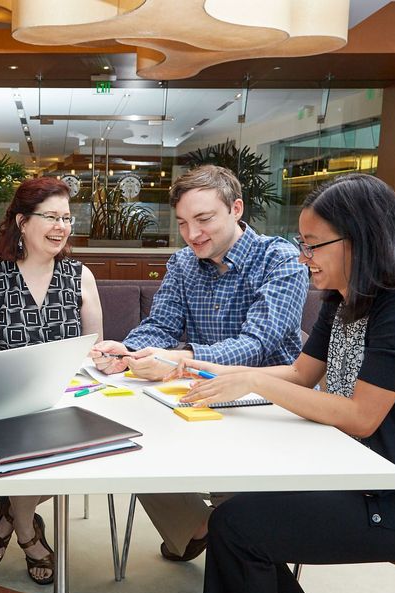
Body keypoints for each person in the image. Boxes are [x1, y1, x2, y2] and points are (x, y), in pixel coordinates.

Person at [170, 174, 395, 593]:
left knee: (239, 527)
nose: (302, 257)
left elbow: (359, 417)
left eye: (312, 245)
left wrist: (254, 383)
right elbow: (300, 372)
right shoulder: (345, 298)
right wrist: (197, 365)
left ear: (361, 239)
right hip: (357, 472)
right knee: (238, 520)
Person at [92, 164, 308, 562]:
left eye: (204, 219)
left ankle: (227, 529)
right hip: (199, 394)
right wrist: (127, 354)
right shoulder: (182, 263)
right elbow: (161, 325)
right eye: (183, 223)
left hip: (269, 404)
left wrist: (181, 360)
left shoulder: (280, 260)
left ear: (236, 209)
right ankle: (202, 527)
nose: (192, 235)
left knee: (238, 508)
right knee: (134, 445)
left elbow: (258, 344)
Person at [0, 176, 103, 584]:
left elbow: (94, 350)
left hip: (69, 402)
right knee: (31, 442)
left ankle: (9, 515)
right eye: (51, 217)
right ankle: (29, 535)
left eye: (66, 218)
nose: (61, 226)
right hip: (7, 407)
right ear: (22, 222)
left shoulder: (80, 275)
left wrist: (106, 359)